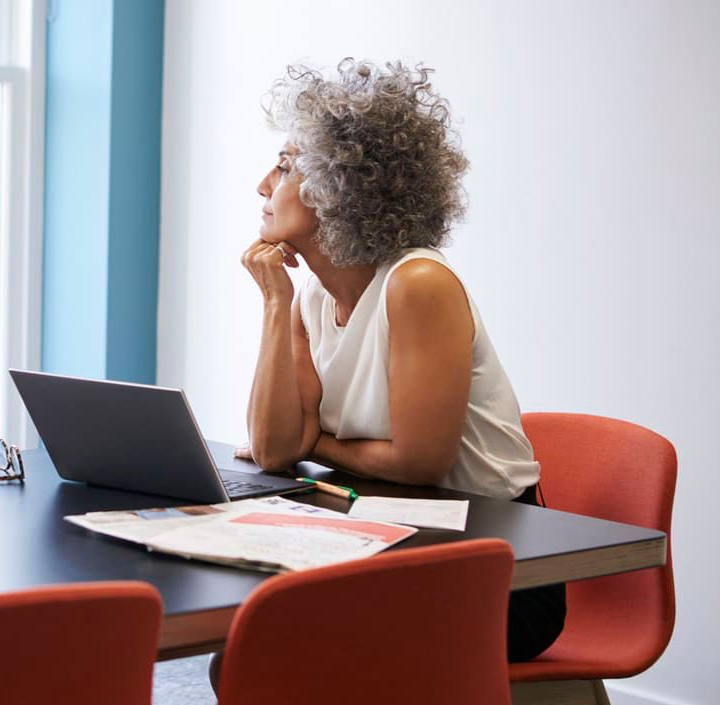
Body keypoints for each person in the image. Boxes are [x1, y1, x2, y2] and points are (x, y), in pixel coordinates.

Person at [223, 59, 564, 678]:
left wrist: (317, 441)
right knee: (250, 654)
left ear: (340, 184)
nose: (262, 185)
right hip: (395, 539)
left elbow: (419, 463)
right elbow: (274, 450)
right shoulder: (311, 297)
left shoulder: (419, 284)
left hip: (498, 569)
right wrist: (275, 302)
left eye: (284, 165)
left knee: (273, 658)